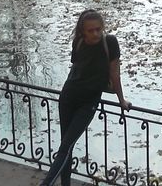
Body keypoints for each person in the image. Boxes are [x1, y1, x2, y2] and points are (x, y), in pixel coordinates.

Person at [41, 10, 131, 186]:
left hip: (88, 101)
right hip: (68, 97)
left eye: (98, 29)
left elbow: (115, 74)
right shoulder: (78, 42)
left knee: (65, 147)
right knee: (66, 147)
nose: (95, 33)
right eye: (91, 30)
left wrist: (121, 100)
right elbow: (77, 69)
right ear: (83, 31)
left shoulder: (110, 43)